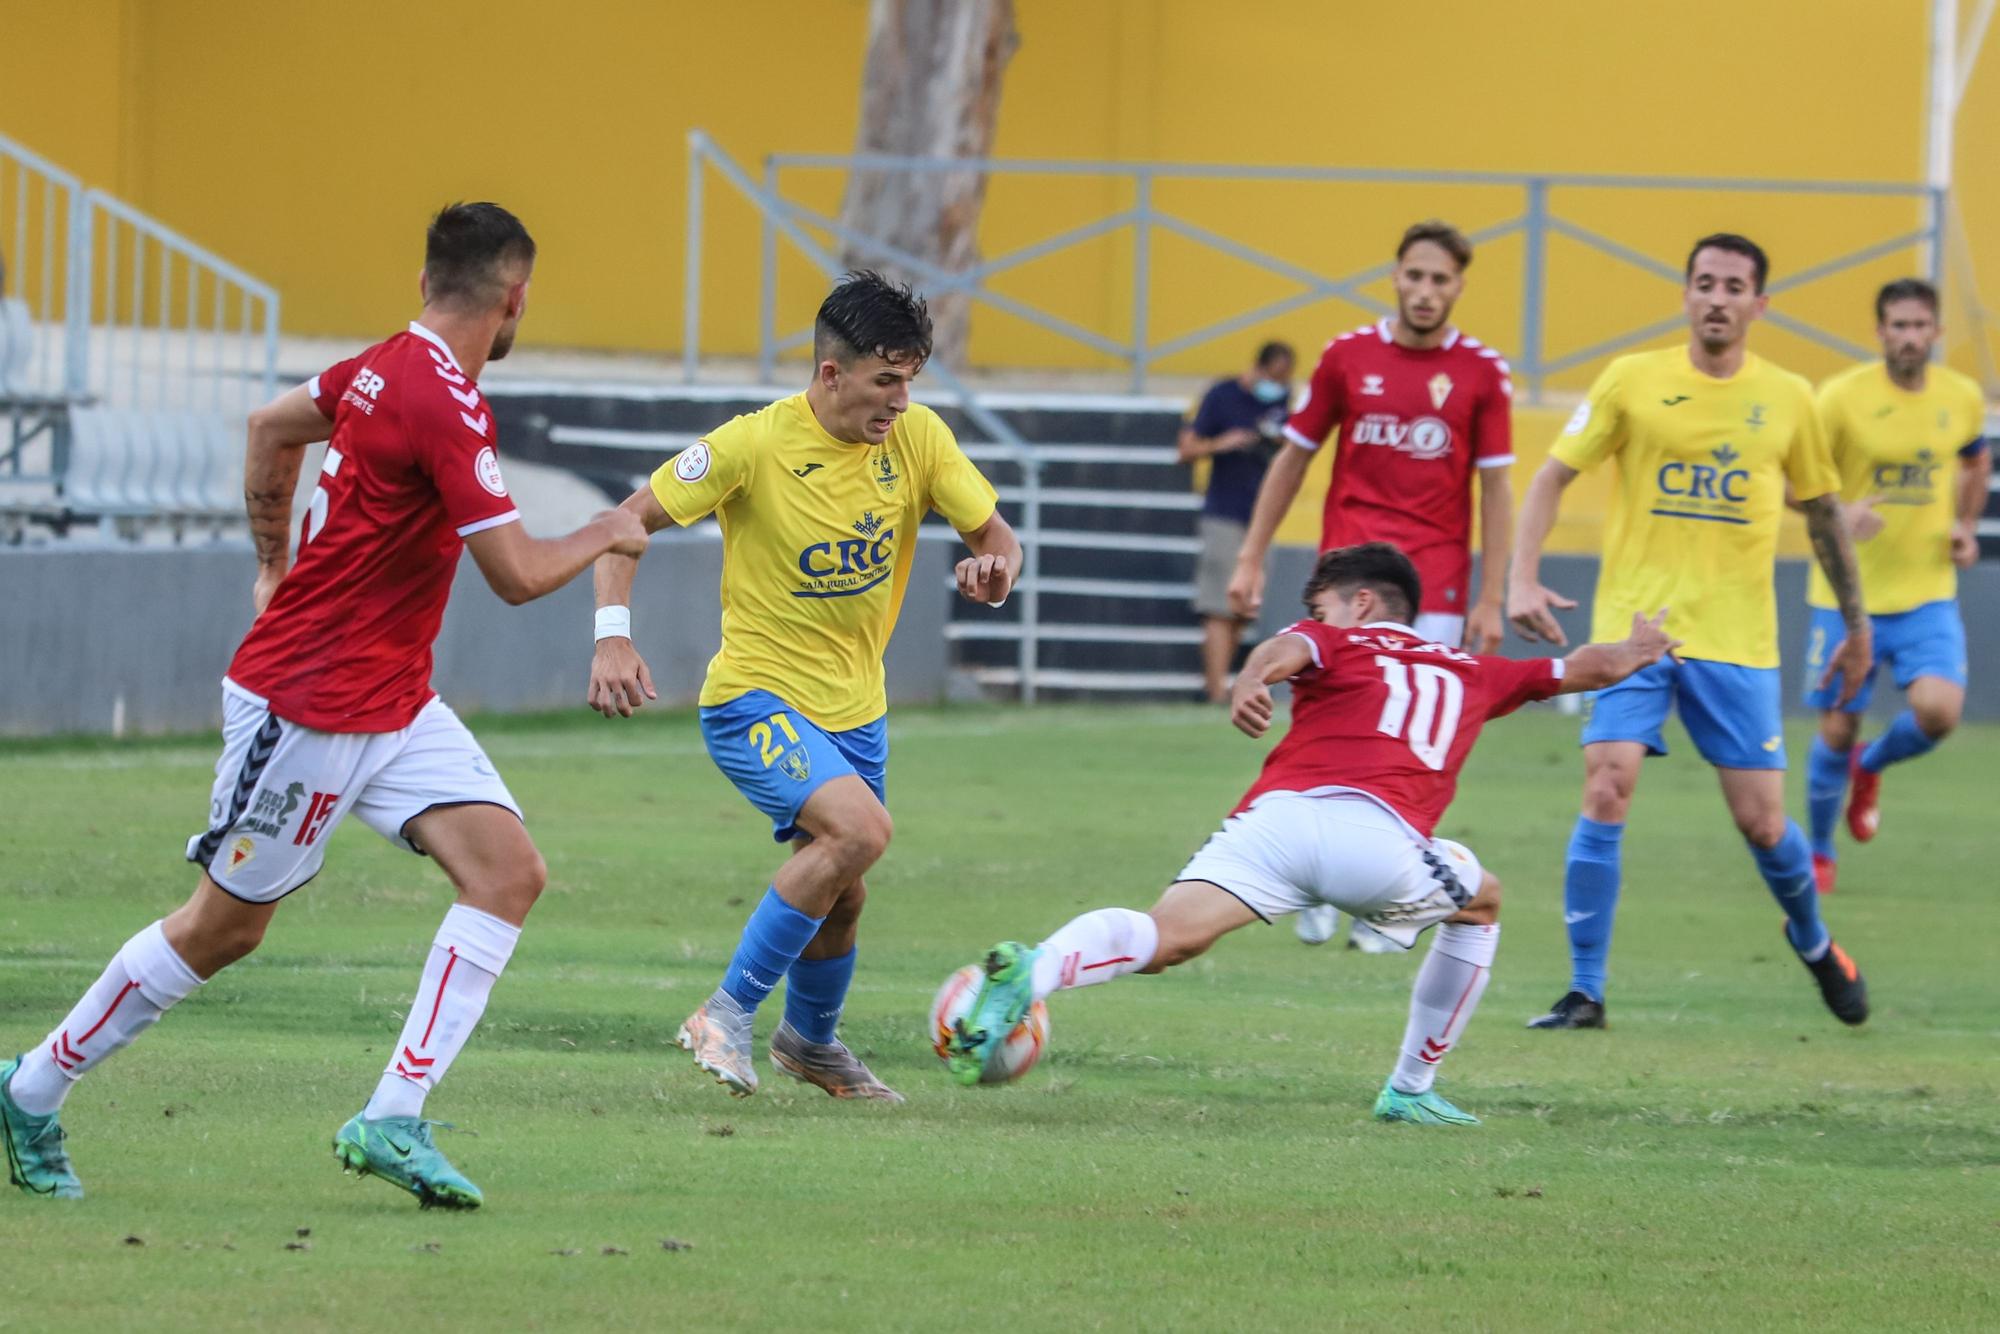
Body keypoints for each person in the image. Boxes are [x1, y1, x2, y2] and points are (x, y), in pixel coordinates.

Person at [0, 203, 650, 1207]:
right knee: (221, 927)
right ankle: (32, 1086)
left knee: (507, 870)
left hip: (389, 696)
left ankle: (391, 1113)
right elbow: (517, 573)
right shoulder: (444, 400)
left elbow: (270, 425)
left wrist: (272, 565)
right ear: (513, 297)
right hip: (306, 704)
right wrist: (607, 526)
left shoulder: (383, 364)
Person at [943, 543, 1677, 1125]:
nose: (1317, 616)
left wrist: (1249, 681)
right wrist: (1637, 650)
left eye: (1321, 604)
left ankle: (1035, 971)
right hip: (1380, 844)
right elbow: (1582, 669)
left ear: (1361, 602)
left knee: (1166, 936)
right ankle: (1411, 1088)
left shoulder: (1337, 640)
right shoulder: (1474, 669)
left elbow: (1285, 652)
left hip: (1277, 824)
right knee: (1479, 899)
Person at [588, 270, 1019, 1103]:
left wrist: (995, 569)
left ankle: (811, 1044)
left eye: (910, 381)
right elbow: (624, 522)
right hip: (754, 698)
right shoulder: (752, 445)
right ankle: (725, 1012)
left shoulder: (919, 440)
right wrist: (613, 638)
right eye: (885, 380)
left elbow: (996, 536)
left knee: (845, 894)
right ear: (831, 374)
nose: (899, 401)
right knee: (859, 834)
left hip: (857, 713)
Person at [1508, 232, 1874, 1032]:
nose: (1717, 297)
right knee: (1607, 784)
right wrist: (1520, 574)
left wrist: (1856, 623)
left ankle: (1813, 941)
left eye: (1734, 285)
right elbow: (1552, 474)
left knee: (1763, 825)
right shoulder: (1630, 381)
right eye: (1704, 282)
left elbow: (1821, 516)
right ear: (1685, 294)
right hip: (1635, 631)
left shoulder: (1790, 399)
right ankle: (1585, 991)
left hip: (1738, 641)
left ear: (1758, 304)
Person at [1225, 220, 1517, 952]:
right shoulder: (1347, 358)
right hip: (1348, 582)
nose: (1425, 291)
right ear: (1395, 276)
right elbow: (1291, 460)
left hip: (1438, 587)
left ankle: (1384, 898)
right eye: (1414, 276)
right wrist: (1251, 557)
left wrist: (1492, 595)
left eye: (1440, 280)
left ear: (1459, 287)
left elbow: (1498, 492)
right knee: (1326, 722)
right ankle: (1311, 884)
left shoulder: (1483, 373)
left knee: (1419, 738)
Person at [1798, 280, 1989, 892]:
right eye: (1897, 326)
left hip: (1927, 593)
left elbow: (1975, 458)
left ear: (1935, 333)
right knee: (1835, 728)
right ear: (1879, 332)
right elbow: (1793, 480)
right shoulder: (1840, 399)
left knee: (1939, 713)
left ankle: (1870, 767)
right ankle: (1821, 854)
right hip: (1845, 598)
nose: (1909, 337)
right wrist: (1839, 514)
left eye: (1919, 326)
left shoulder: (1960, 396)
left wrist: (1964, 526)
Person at [1178, 340, 1295, 702]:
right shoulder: (1221, 395)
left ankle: (1220, 684)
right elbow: (1186, 449)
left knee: (1245, 606)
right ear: (1258, 368)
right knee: (1218, 605)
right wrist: (1223, 444)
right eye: (1274, 376)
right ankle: (1215, 691)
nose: (1278, 385)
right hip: (1224, 513)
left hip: (1262, 517)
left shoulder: (1281, 401)